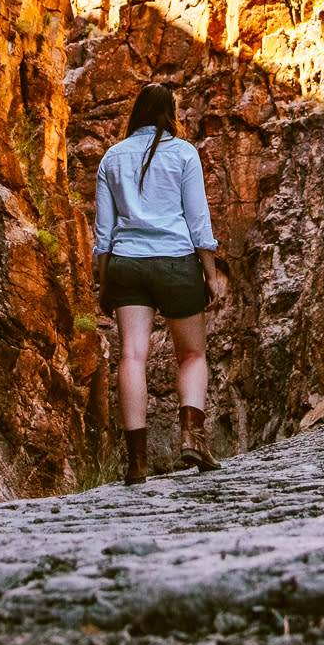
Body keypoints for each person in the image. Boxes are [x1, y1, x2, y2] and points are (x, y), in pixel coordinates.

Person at [94, 82, 227, 485]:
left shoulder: (111, 158)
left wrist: (103, 283)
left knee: (132, 357)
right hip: (175, 263)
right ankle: (193, 436)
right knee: (192, 354)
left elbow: (103, 232)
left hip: (126, 265)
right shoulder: (184, 153)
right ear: (170, 113)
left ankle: (136, 464)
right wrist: (209, 271)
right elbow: (197, 220)